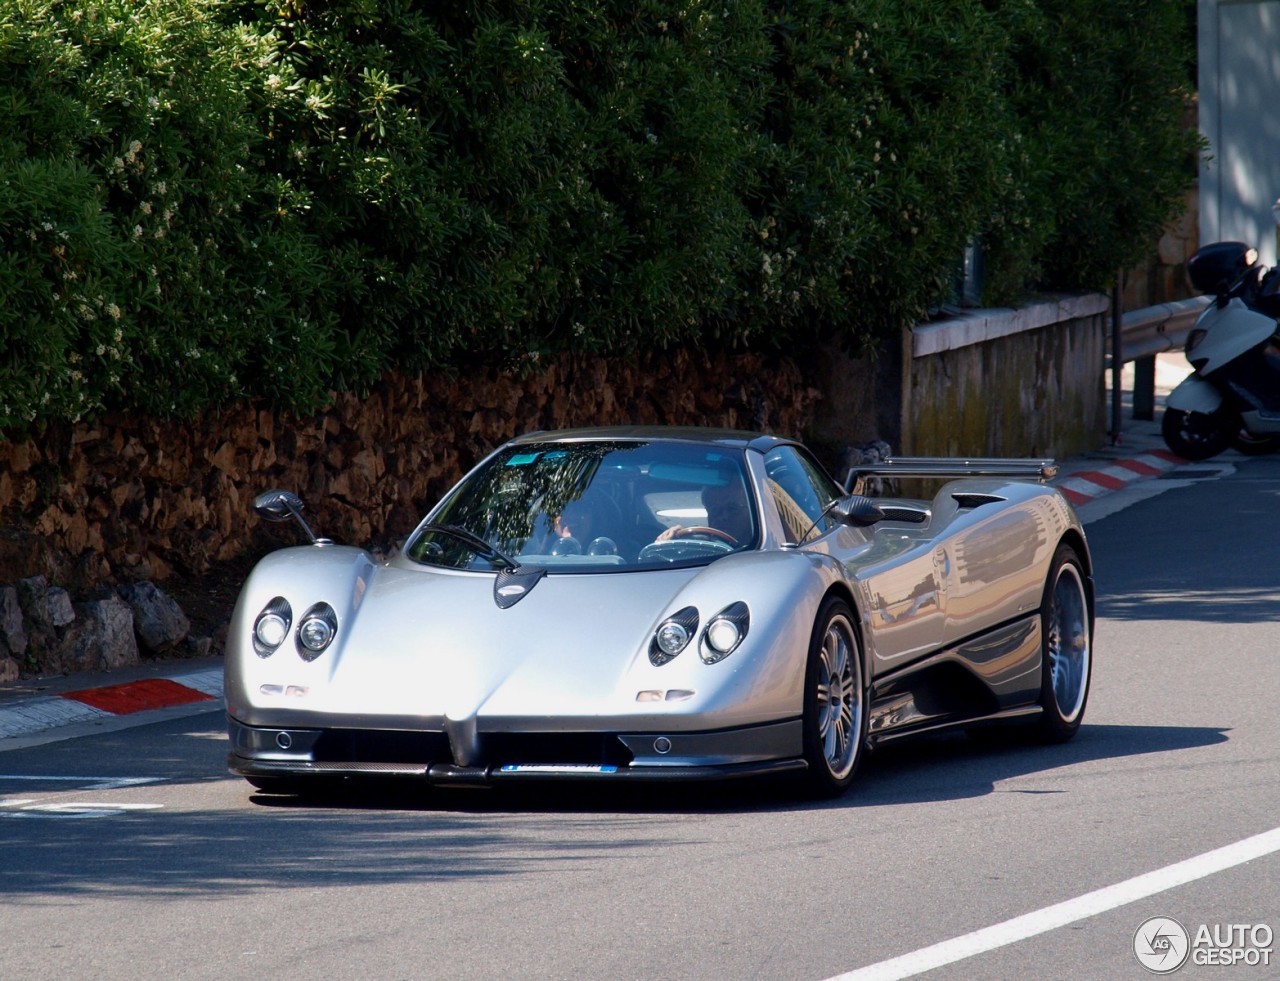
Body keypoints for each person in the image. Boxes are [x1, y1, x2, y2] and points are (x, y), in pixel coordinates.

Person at [656, 478, 753, 545]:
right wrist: (666, 543)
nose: (724, 516)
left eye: (733, 508)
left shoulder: (764, 544)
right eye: (715, 510)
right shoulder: (698, 546)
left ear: (751, 512)